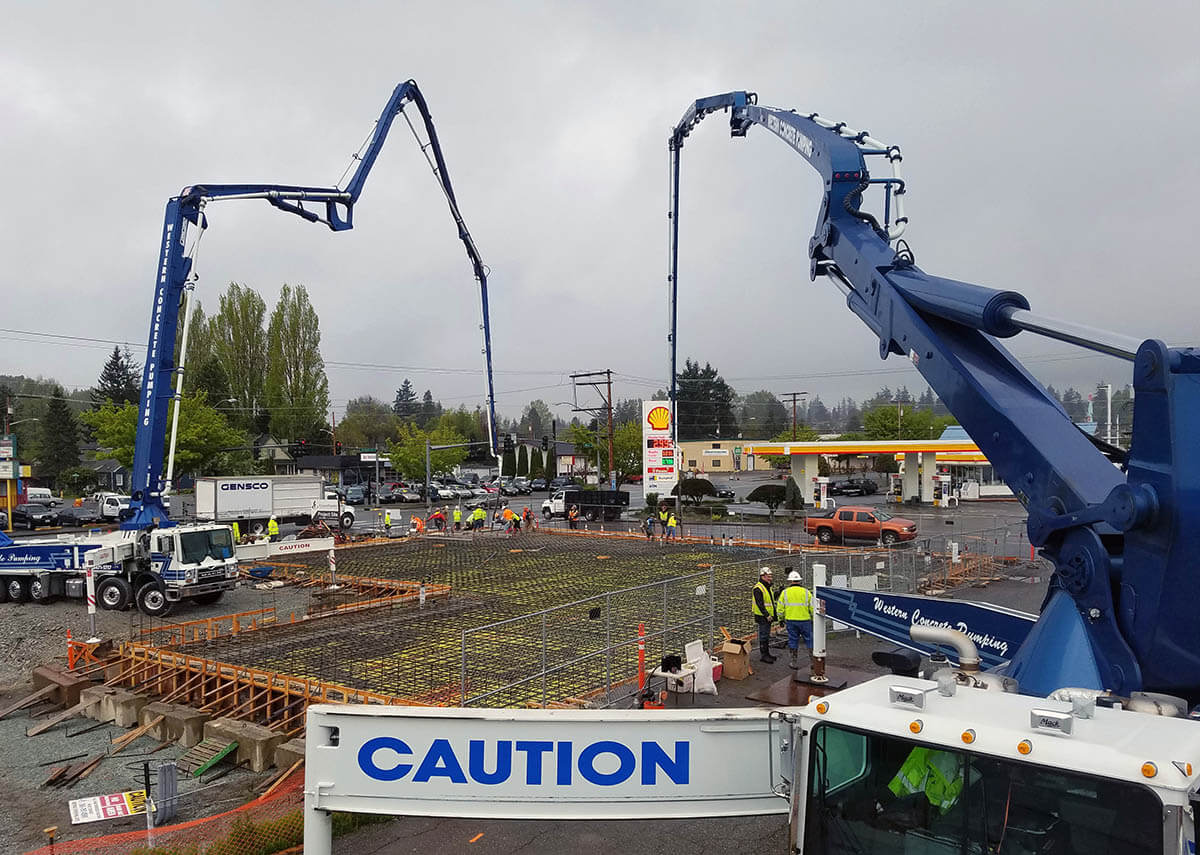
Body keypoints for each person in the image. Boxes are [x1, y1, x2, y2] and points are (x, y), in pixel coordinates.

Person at [775, 569, 813, 669]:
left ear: (790, 581)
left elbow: (780, 609)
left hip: (791, 621)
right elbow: (812, 607)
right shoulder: (806, 592)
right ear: (799, 581)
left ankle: (793, 661)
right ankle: (814, 662)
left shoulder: (785, 593)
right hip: (805, 620)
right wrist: (813, 619)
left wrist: (781, 620)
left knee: (793, 640)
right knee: (809, 640)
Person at [751, 567, 778, 663]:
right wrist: (767, 615)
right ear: (763, 576)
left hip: (767, 616)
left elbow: (770, 599)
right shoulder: (758, 588)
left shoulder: (767, 587)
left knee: (766, 635)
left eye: (771, 576)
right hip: (762, 616)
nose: (770, 578)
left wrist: (777, 593)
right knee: (763, 636)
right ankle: (764, 655)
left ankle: (767, 654)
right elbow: (760, 603)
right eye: (768, 577)